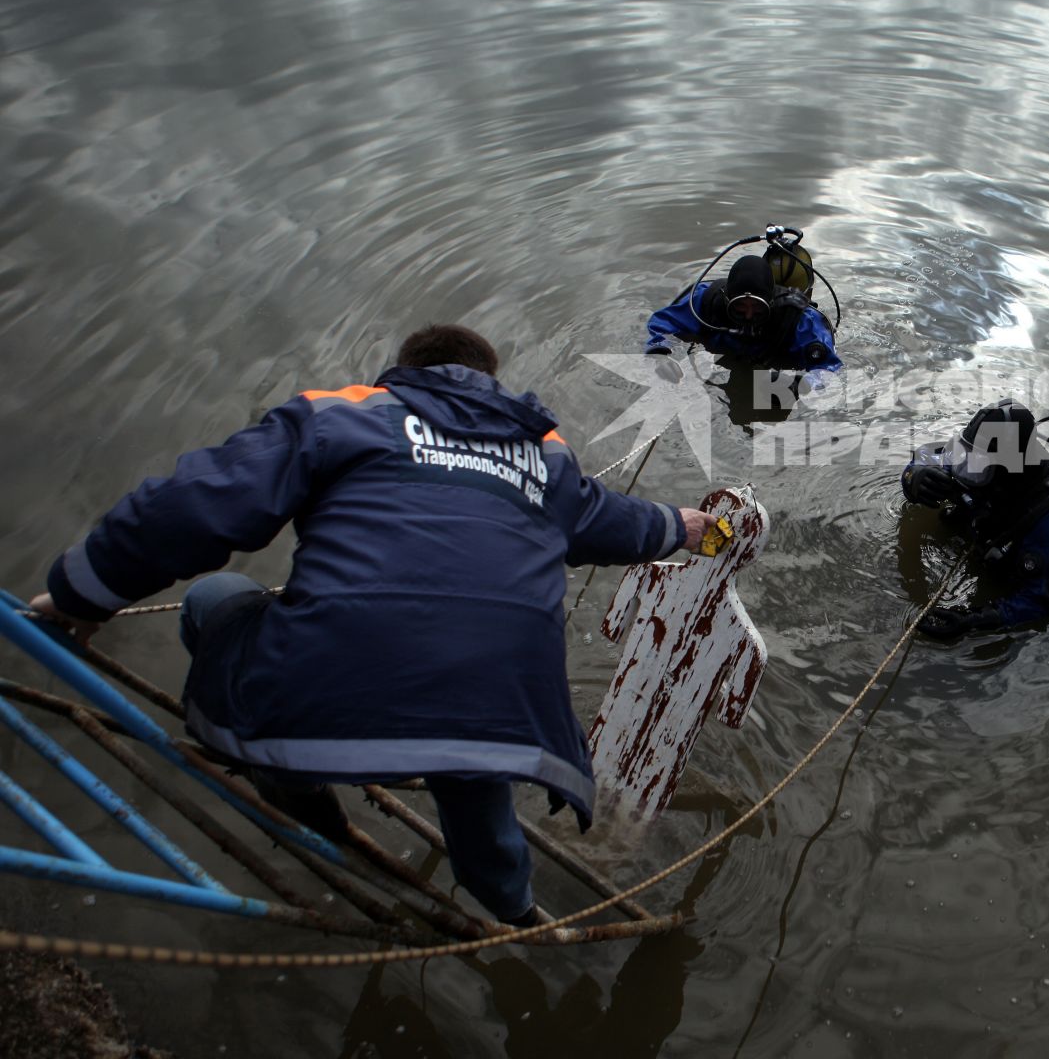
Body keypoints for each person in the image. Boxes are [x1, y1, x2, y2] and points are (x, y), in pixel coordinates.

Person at [28, 324, 719, 926]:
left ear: (404, 372)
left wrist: (79, 596)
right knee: (472, 759)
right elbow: (616, 523)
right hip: (502, 718)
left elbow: (191, 509)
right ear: (489, 381)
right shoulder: (545, 455)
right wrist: (688, 529)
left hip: (315, 689)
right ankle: (512, 911)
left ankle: (304, 797)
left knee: (216, 594)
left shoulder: (339, 415)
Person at [898, 400, 1049, 638]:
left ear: (1010, 468)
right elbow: (929, 454)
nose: (966, 470)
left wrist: (971, 621)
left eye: (979, 466)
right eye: (968, 457)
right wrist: (915, 477)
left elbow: (1038, 602)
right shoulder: (982, 454)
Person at [645, 254, 840, 374]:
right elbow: (663, 323)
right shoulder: (706, 301)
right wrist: (661, 353)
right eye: (739, 307)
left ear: (770, 304)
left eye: (757, 308)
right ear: (727, 299)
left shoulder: (797, 319)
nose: (748, 316)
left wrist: (800, 385)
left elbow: (829, 368)